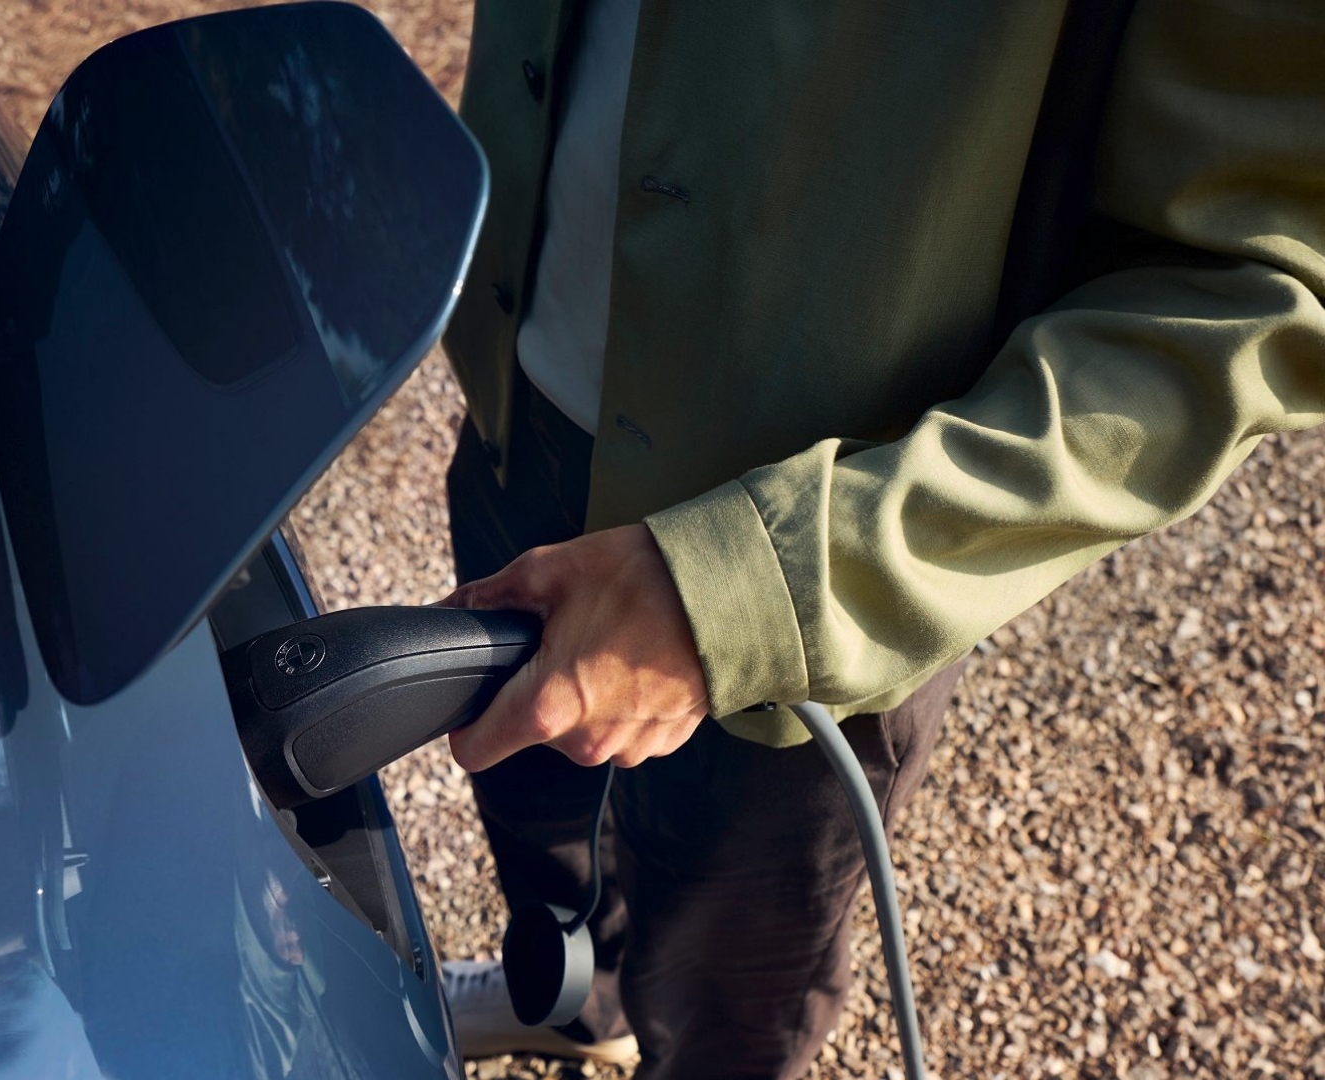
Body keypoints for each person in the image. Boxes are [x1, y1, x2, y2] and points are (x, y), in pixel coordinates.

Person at [434, 2, 1325, 1077]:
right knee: (532, 799)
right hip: (518, 404)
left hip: (812, 551)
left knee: (728, 975)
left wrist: (754, 588)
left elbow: (1245, 288)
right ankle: (584, 1008)